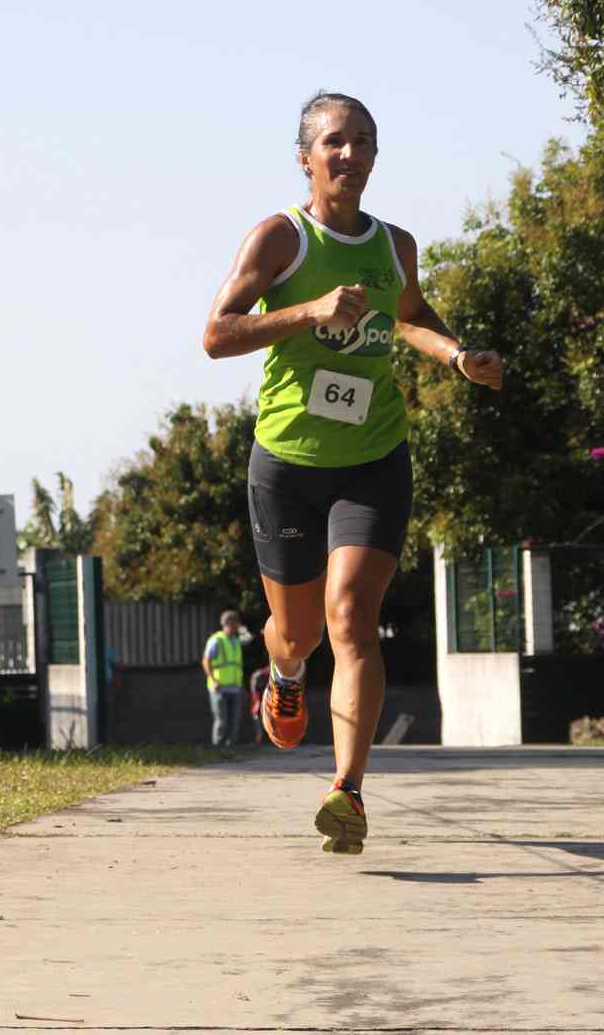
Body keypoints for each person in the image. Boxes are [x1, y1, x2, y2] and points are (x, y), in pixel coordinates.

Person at [201, 91, 504, 854]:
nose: (350, 154)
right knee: (298, 632)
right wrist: (307, 311)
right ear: (305, 156)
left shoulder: (394, 243)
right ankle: (286, 676)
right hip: (288, 461)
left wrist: (458, 356)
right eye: (334, 141)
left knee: (351, 618)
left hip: (373, 456)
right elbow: (217, 333)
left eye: (363, 141)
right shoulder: (281, 238)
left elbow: (411, 316)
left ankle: (349, 791)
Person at [201, 611, 249, 747]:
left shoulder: (236, 640)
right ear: (226, 623)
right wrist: (213, 680)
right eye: (235, 623)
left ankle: (230, 750)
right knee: (221, 721)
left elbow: (249, 637)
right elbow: (206, 661)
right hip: (219, 687)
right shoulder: (216, 640)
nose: (237, 626)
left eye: (238, 623)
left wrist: (242, 629)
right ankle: (217, 749)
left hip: (235, 688)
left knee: (234, 721)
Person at [247, 663, 272, 746]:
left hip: (269, 702)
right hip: (260, 701)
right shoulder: (258, 676)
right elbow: (255, 693)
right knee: (257, 718)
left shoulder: (274, 675)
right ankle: (259, 739)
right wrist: (257, 703)